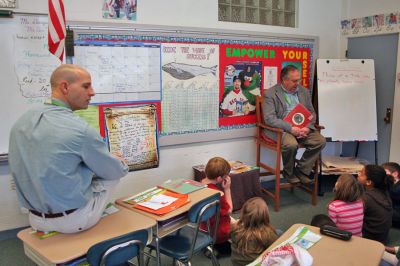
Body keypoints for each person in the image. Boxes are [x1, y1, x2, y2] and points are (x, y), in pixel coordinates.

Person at [9, 64, 129, 234]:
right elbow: (113, 172)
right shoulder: (80, 130)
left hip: (35, 220)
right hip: (72, 221)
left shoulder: (22, 122)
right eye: (86, 86)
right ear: (65, 87)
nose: (92, 92)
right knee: (113, 171)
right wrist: (118, 162)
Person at [263, 65, 326, 184]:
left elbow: (311, 112)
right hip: (282, 129)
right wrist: (291, 128)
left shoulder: (303, 91)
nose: (298, 83)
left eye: (299, 79)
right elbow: (269, 119)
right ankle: (289, 172)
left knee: (320, 141)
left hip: (303, 127)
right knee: (291, 145)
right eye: (294, 80)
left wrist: (307, 128)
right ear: (284, 80)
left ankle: (301, 170)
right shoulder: (270, 93)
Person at [231, 197, 278, 266]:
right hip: (256, 264)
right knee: (280, 233)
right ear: (265, 216)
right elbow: (277, 247)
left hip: (237, 263)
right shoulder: (267, 233)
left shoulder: (235, 228)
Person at [201, 157, 234, 256]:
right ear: (219, 179)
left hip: (203, 228)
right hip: (217, 232)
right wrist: (227, 189)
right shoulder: (218, 194)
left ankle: (208, 245)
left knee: (233, 220)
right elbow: (230, 210)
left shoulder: (199, 184)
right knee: (243, 223)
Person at [357, 165, 393, 243]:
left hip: (369, 239)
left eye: (362, 174)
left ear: (369, 182)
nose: (358, 174)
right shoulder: (384, 192)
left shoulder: (366, 198)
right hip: (382, 237)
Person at [382, 162, 400, 228]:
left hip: (396, 217)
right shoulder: (393, 185)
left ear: (395, 174)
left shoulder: (396, 190)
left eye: (384, 173)